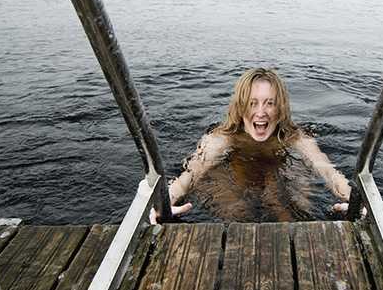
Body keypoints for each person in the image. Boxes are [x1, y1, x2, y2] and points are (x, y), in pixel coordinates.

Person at [150, 67, 352, 223]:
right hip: (234, 176)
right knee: (237, 215)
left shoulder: (296, 138)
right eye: (252, 103)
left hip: (280, 174)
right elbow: (189, 177)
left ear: (280, 107)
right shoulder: (221, 138)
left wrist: (355, 201)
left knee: (293, 213)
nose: (261, 112)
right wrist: (162, 205)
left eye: (269, 103)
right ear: (240, 106)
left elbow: (328, 172)